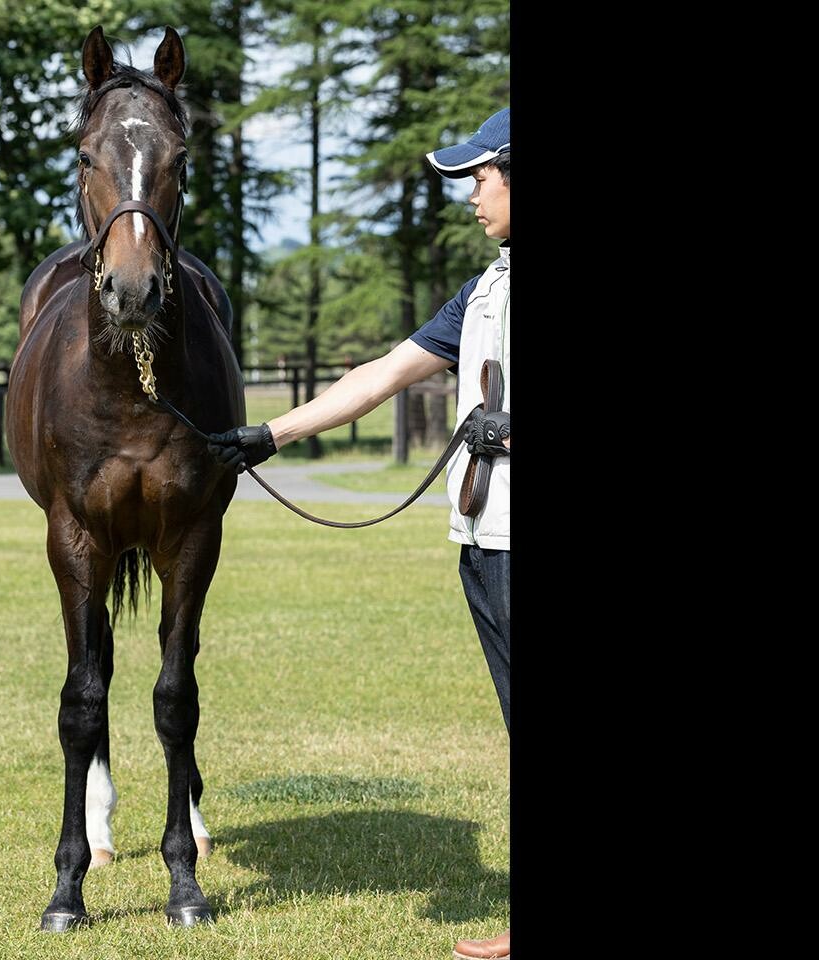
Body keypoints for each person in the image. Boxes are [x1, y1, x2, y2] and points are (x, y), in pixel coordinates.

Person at [206, 107, 511, 960]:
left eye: (483, 177)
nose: (473, 196)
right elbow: (382, 374)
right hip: (487, 544)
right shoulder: (489, 288)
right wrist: (270, 435)